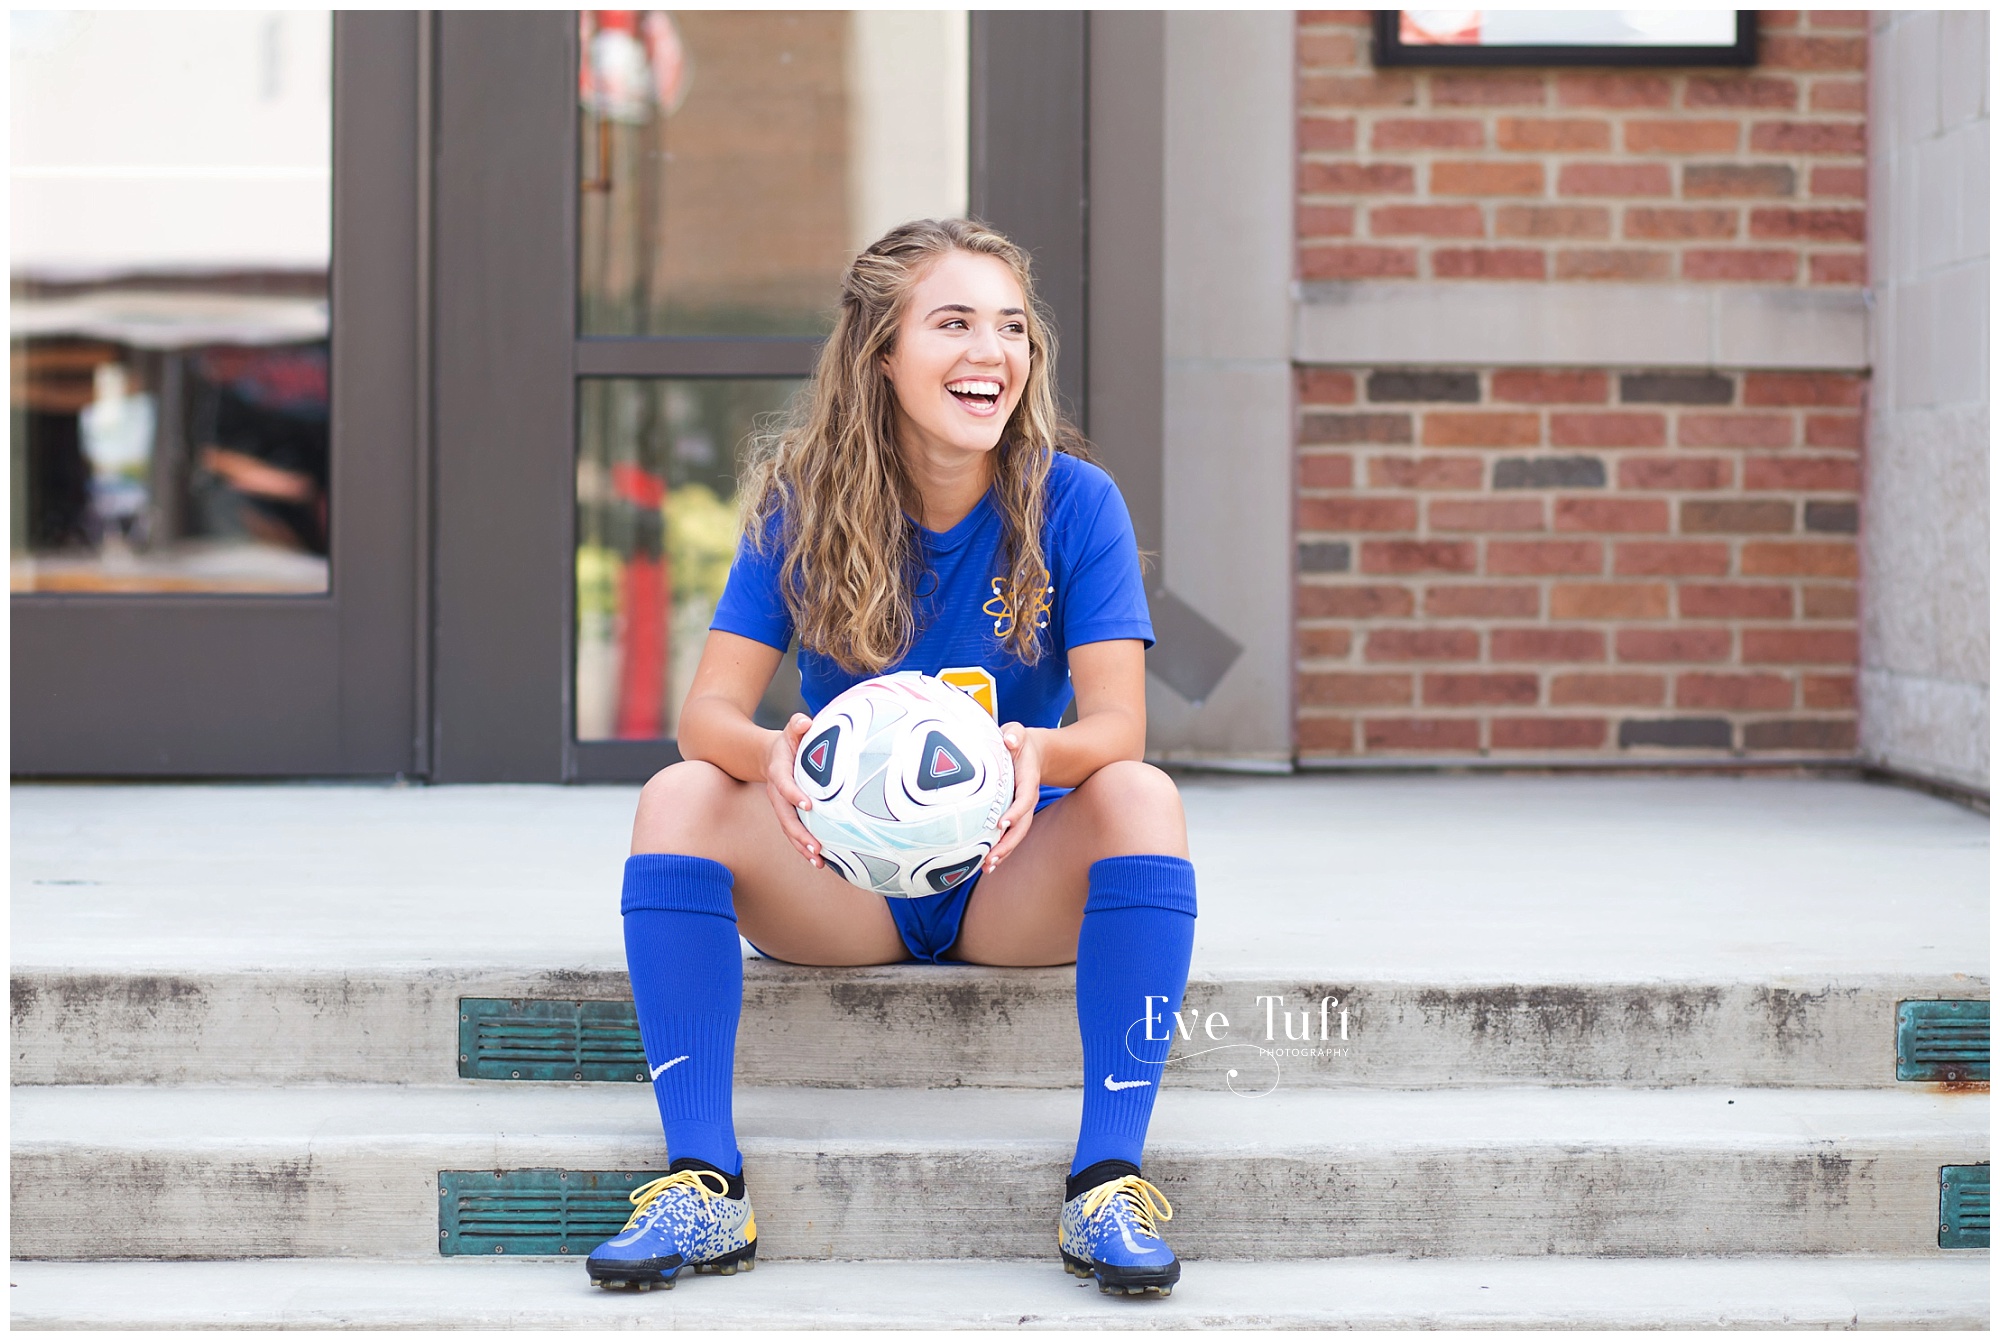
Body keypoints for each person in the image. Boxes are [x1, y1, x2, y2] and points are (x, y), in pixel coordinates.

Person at [586, 218, 1197, 1298]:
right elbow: (706, 718)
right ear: (880, 352)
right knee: (680, 797)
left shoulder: (1073, 503)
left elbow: (1117, 730)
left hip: (1009, 879)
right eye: (951, 322)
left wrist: (1031, 754)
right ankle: (702, 1185)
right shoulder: (804, 503)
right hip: (844, 888)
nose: (990, 352)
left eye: (1009, 327)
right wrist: (776, 753)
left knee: (1141, 798)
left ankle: (1107, 1181)